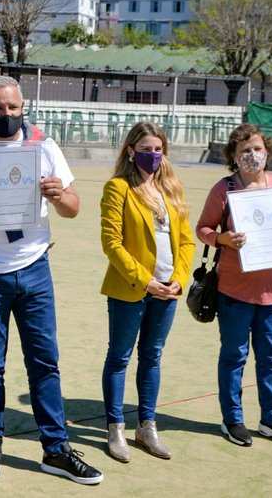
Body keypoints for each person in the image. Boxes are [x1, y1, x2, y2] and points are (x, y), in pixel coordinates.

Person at [0, 75, 103, 486]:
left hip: (34, 268)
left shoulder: (43, 146)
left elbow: (73, 208)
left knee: (45, 361)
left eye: (12, 107)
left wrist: (57, 195)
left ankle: (56, 449)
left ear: (23, 106)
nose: (6, 115)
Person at [196, 123, 272, 448]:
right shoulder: (224, 189)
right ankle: (233, 420)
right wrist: (221, 239)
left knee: (270, 358)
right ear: (234, 156)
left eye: (257, 149)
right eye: (244, 151)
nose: (252, 156)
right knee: (234, 356)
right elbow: (202, 229)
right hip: (234, 290)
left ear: (267, 152)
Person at [99, 122, 195, 463]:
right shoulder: (118, 188)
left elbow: (186, 241)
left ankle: (146, 426)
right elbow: (111, 243)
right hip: (131, 288)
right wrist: (144, 280)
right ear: (130, 151)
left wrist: (179, 280)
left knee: (152, 356)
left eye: (158, 149)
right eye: (145, 149)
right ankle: (115, 427)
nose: (152, 155)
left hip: (167, 291)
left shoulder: (171, 188)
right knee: (120, 357)